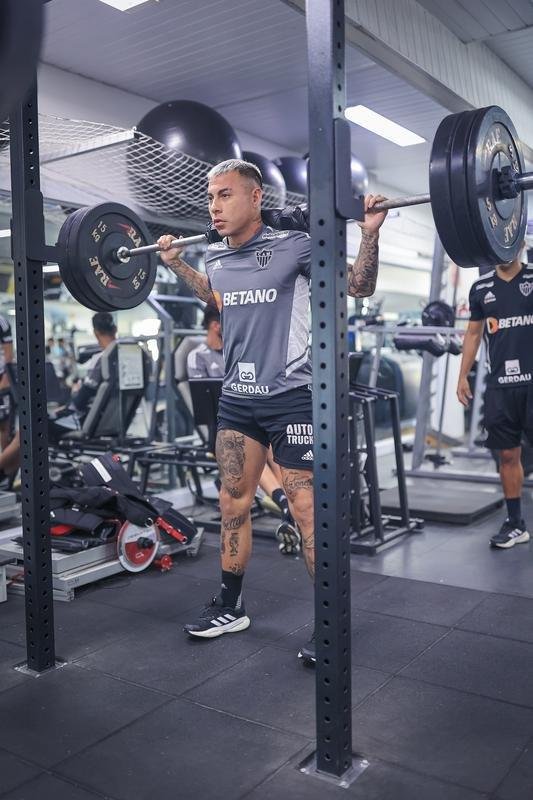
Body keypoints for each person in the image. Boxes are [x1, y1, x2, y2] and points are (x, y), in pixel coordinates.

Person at [157, 158, 387, 659]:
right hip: (238, 401)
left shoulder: (296, 247)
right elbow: (216, 295)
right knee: (232, 503)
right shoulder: (216, 258)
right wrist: (177, 265)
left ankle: (330, 622)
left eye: (226, 195)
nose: (215, 206)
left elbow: (358, 286)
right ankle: (231, 605)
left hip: (294, 399)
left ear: (256, 197)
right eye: (211, 196)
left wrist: (369, 234)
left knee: (307, 511)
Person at [187, 304, 302, 555]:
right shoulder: (197, 356)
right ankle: (285, 504)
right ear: (216, 325)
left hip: (250, 422)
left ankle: (292, 509)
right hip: (219, 428)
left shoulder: (235, 352)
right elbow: (200, 405)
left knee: (271, 444)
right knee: (247, 446)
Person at [457, 245, 533, 548]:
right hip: (500, 386)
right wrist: (462, 375)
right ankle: (516, 523)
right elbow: (474, 334)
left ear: (521, 246)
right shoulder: (481, 288)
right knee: (506, 454)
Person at [71, 312, 117, 418]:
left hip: (96, 419)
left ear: (96, 332)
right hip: (117, 417)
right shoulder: (127, 355)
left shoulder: (102, 359)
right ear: (115, 329)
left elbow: (80, 401)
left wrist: (75, 391)